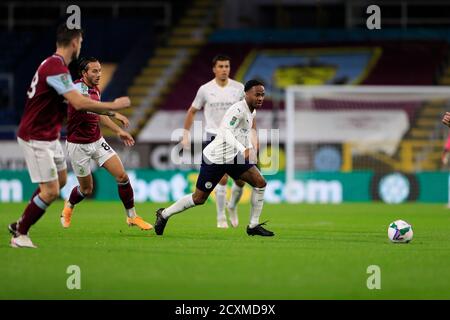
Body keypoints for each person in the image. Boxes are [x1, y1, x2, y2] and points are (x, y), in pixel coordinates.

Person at [8, 24, 131, 248]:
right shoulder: (56, 69)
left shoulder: (51, 64)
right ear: (75, 43)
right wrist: (114, 106)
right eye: (81, 43)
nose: (80, 46)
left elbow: (71, 101)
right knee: (51, 191)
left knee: (62, 180)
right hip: (35, 136)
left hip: (49, 135)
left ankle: (21, 222)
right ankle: (20, 234)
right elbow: (79, 103)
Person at [154, 79, 274, 237]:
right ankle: (164, 214)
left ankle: (253, 226)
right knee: (198, 198)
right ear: (246, 94)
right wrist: (243, 148)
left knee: (260, 183)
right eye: (257, 94)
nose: (260, 98)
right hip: (215, 158)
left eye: (262, 95)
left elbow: (242, 133)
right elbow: (225, 133)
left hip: (232, 158)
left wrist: (250, 148)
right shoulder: (237, 110)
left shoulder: (252, 111)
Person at [60, 57, 152, 230]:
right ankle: (69, 205)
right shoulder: (77, 88)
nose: (99, 74)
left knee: (122, 176)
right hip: (78, 145)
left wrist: (118, 131)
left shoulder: (95, 89)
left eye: (100, 70)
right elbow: (89, 107)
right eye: (94, 71)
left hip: (96, 140)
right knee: (86, 190)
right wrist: (115, 112)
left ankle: (132, 216)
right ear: (83, 73)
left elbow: (97, 113)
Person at [181, 54, 253, 229]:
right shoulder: (205, 89)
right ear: (214, 69)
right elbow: (192, 111)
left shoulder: (239, 88)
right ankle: (220, 217)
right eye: (220, 66)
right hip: (215, 136)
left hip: (236, 137)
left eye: (227, 66)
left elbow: (248, 112)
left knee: (241, 181)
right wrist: (185, 133)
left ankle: (232, 207)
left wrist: (252, 136)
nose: (224, 70)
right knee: (221, 178)